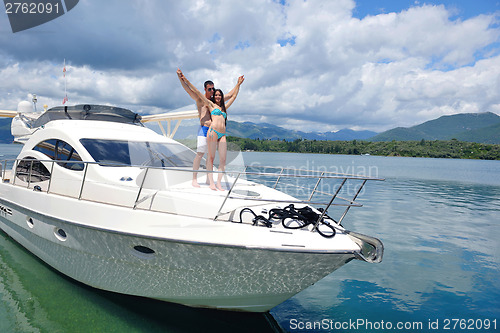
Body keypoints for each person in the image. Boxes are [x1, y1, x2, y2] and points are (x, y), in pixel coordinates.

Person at [177, 68, 244, 191]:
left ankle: (210, 179)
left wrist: (238, 83)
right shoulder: (200, 100)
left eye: (213, 89)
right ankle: (194, 178)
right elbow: (189, 90)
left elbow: (230, 95)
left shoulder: (216, 101)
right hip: (204, 129)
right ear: (205, 89)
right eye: (210, 89)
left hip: (215, 132)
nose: (212, 91)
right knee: (200, 153)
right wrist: (182, 79)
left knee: (210, 156)